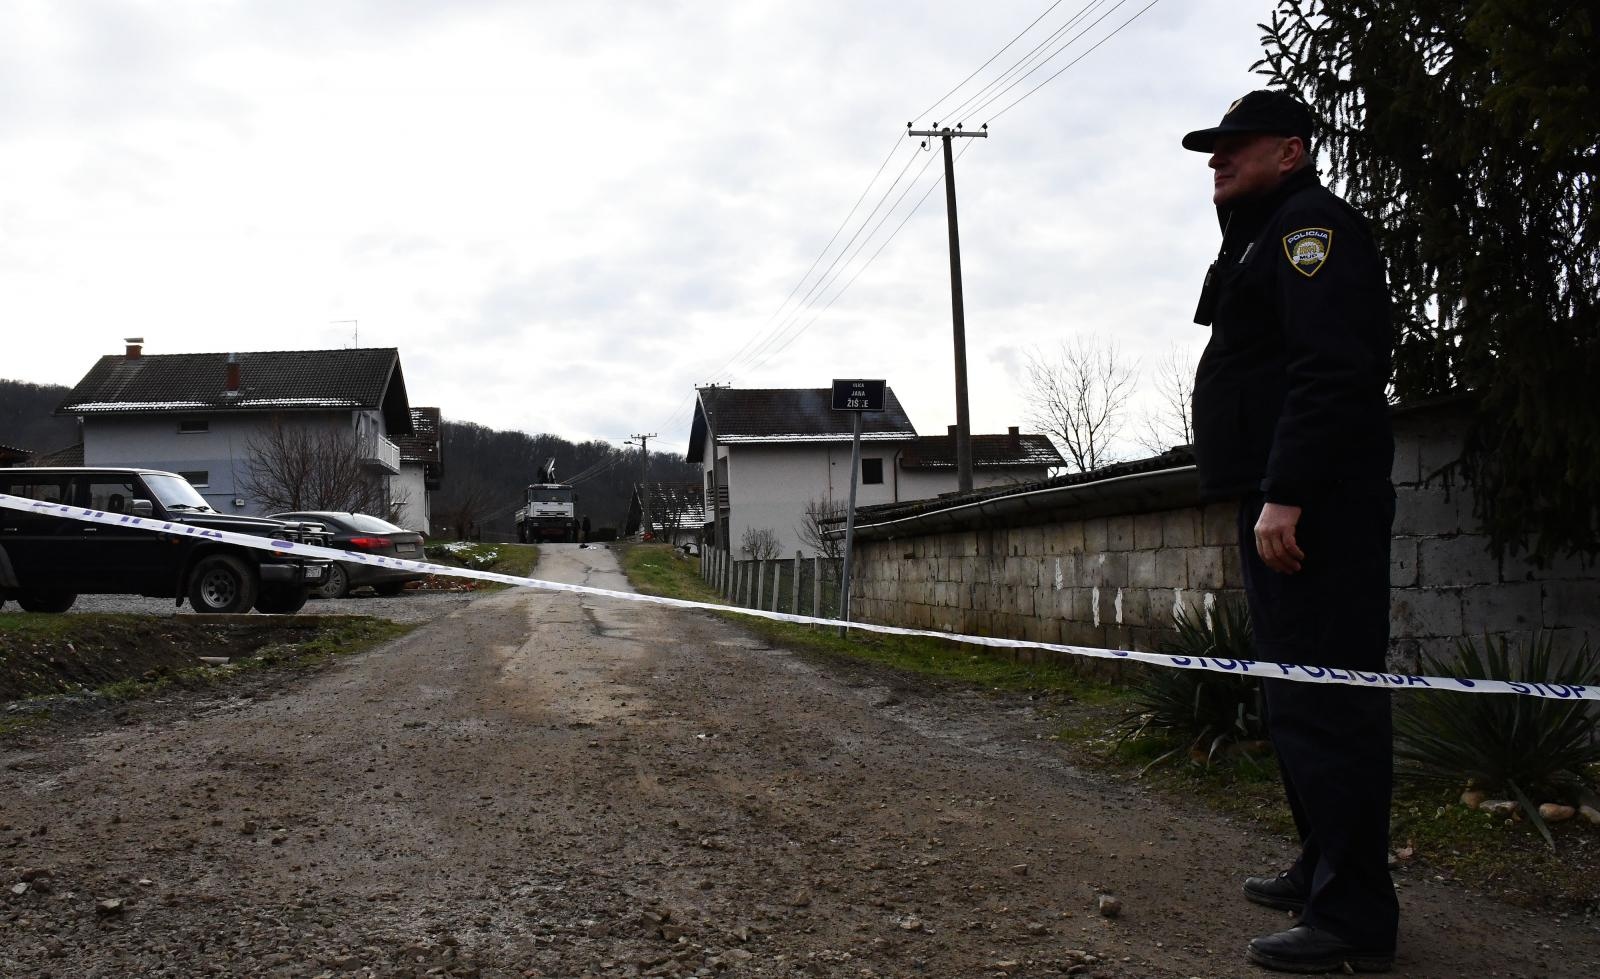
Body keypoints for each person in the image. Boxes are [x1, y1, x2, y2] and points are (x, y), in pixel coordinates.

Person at [1184, 90, 1398, 974]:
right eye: (1212, 150)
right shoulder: (1261, 237)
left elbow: (1332, 368)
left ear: (1293, 149)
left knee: (1327, 701)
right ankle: (1322, 868)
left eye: (1236, 146)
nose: (1216, 160)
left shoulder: (1314, 229)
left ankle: (1352, 912)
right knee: (1291, 696)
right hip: (1279, 497)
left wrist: (1288, 490)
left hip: (1313, 505)